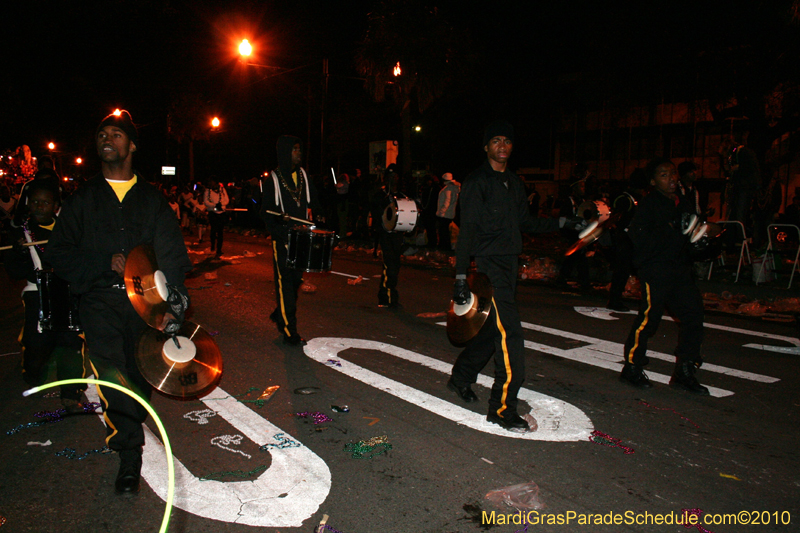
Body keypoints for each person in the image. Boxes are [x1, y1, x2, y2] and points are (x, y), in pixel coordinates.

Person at [45, 111, 192, 494]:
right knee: (114, 379)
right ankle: (129, 454)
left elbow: (172, 254)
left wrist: (174, 300)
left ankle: (133, 424)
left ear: (131, 145)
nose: (106, 139)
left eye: (115, 134)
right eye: (101, 135)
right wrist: (100, 263)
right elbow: (58, 251)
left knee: (140, 375)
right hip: (100, 305)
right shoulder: (84, 199)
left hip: (145, 309)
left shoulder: (152, 199)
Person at [448, 120, 584, 432]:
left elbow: (527, 222)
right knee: (510, 337)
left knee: (488, 333)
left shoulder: (514, 182)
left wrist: (563, 222)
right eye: (495, 140)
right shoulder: (476, 181)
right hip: (487, 268)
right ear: (486, 146)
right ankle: (502, 408)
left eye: (507, 141)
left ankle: (460, 378)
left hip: (509, 266)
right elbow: (467, 230)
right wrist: (459, 276)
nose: (502, 146)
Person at [619, 157, 709, 395]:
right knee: (649, 320)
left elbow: (692, 234)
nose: (671, 179)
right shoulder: (649, 205)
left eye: (672, 174)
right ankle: (632, 367)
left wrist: (701, 242)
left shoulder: (684, 202)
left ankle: (685, 370)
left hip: (680, 269)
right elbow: (639, 238)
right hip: (656, 270)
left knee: (694, 316)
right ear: (653, 181)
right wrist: (670, 230)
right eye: (664, 175)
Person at [3, 179, 86, 412]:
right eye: (35, 202)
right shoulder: (21, 232)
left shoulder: (68, 228)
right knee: (37, 344)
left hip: (65, 291)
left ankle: (70, 391)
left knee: (70, 341)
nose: (40, 206)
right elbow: (13, 270)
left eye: (46, 202)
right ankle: (32, 372)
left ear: (55, 206)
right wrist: (19, 254)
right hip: (36, 293)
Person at [260, 135, 318, 345]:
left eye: (299, 149)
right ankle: (289, 330)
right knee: (285, 284)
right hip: (283, 240)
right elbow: (267, 215)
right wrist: (281, 232)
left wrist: (320, 222)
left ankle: (280, 313)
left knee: (295, 282)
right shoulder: (272, 180)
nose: (299, 153)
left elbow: (315, 203)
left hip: (301, 238)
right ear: (286, 152)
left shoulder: (303, 175)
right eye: (295, 149)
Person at [606, 169, 648, 311]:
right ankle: (614, 300)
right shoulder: (625, 199)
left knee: (636, 271)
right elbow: (615, 219)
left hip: (635, 240)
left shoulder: (638, 199)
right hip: (625, 240)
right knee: (622, 271)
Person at [369, 163, 405, 307]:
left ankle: (383, 295)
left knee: (394, 265)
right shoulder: (380, 195)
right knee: (389, 265)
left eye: (395, 176)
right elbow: (376, 213)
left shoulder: (402, 196)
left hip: (397, 235)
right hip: (385, 234)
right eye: (390, 176)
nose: (393, 179)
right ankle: (390, 297)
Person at [203, 177, 229, 258]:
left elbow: (227, 200)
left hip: (221, 212)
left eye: (212, 182)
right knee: (213, 230)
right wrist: (214, 205)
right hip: (213, 213)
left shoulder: (222, 190)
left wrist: (220, 204)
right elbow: (206, 202)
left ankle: (219, 249)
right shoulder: (208, 191)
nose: (210, 183)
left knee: (220, 232)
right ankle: (213, 245)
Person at [436, 172, 460, 251]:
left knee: (443, 232)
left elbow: (447, 202)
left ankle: (444, 248)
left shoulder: (448, 189)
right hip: (450, 213)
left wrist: (441, 213)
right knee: (446, 232)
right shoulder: (454, 188)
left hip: (445, 215)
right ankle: (446, 247)